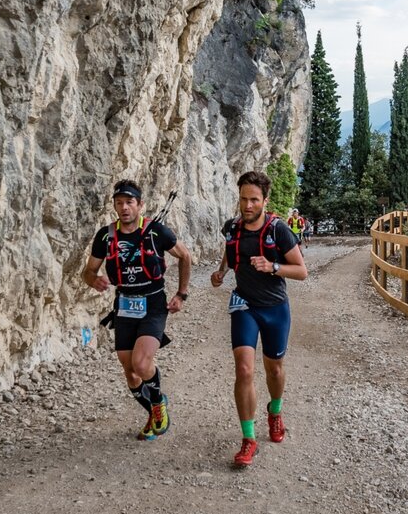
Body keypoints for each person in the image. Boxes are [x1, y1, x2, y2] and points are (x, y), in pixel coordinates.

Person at [211, 171, 308, 467]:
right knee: (244, 370)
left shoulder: (279, 230)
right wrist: (221, 271)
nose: (248, 205)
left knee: (274, 370)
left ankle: (275, 411)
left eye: (254, 200)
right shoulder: (232, 227)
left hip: (275, 308)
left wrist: (272, 266)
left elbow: (302, 271)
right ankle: (248, 438)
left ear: (265, 200)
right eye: (243, 199)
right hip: (244, 305)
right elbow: (231, 249)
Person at [83, 179, 192, 441]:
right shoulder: (106, 236)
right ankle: (154, 412)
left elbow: (185, 256)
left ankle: (158, 403)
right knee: (130, 372)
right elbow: (88, 271)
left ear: (140, 205)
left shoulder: (156, 232)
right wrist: (93, 280)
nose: (124, 208)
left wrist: (181, 294)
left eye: (129, 202)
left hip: (153, 303)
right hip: (124, 305)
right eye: (119, 203)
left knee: (141, 364)